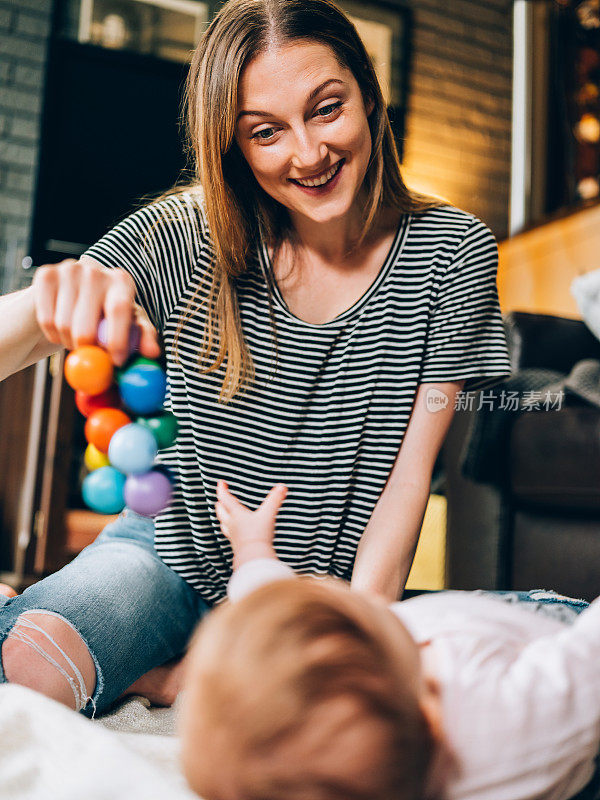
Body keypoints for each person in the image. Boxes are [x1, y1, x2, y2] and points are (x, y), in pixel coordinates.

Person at [0, 0, 511, 717]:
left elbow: (408, 481)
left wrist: (357, 626)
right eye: (265, 132)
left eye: (326, 109)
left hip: (313, 587)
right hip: (165, 555)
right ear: (233, 146)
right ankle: (179, 666)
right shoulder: (191, 229)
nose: (307, 153)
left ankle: (195, 669)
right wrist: (52, 302)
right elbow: (31, 326)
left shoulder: (452, 251)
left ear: (368, 93)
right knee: (30, 665)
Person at [180, 480, 600, 800]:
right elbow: (589, 660)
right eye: (354, 609)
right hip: (550, 635)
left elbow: (268, 606)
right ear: (428, 714)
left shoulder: (371, 741)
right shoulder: (507, 715)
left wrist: (253, 547)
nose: (336, 586)